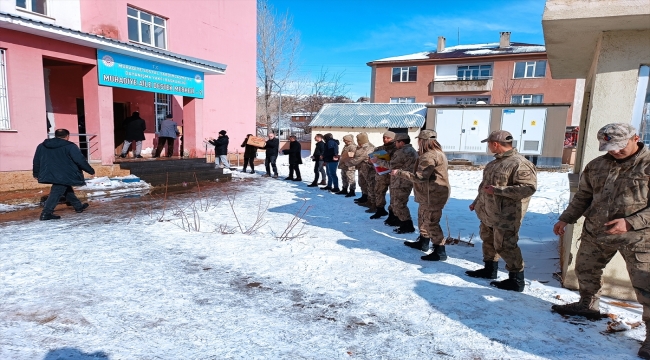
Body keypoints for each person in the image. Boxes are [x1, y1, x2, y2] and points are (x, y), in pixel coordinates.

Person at [551, 123, 649, 358]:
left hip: (638, 238)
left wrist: (630, 222)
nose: (613, 152)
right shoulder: (597, 165)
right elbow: (583, 196)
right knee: (585, 269)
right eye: (608, 147)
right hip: (597, 233)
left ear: (635, 138)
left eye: (618, 147)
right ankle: (588, 305)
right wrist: (566, 219)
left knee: (646, 286)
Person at [465, 130, 537, 292]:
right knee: (488, 240)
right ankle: (489, 269)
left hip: (506, 215)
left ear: (495, 144)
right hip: (488, 212)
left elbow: (528, 188)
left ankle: (516, 280)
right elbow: (484, 187)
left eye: (489, 143)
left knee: (506, 245)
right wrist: (477, 202)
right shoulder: (494, 163)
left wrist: (498, 191)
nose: (488, 146)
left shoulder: (519, 163)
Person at [393, 130, 450, 261]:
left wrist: (399, 173)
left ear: (422, 141)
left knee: (431, 221)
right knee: (423, 218)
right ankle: (423, 242)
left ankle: (439, 250)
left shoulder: (429, 156)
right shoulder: (438, 153)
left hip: (432, 195)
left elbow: (420, 177)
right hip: (430, 194)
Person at [33, 128, 95, 220]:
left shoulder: (42, 146)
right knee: (56, 191)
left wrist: (36, 173)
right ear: (67, 136)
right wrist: (90, 170)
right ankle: (46, 213)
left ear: (56, 135)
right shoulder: (70, 146)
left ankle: (78, 206)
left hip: (50, 172)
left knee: (66, 189)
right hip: (65, 173)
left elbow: (36, 160)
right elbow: (80, 160)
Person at [376, 133, 417, 233]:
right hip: (404, 181)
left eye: (396, 142)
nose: (395, 145)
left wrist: (378, 160)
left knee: (399, 204)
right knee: (398, 203)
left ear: (401, 142)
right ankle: (399, 221)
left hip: (401, 182)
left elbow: (391, 165)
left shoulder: (402, 151)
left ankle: (407, 225)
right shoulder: (412, 150)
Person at [368, 131, 397, 219]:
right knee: (379, 192)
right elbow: (372, 161)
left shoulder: (397, 149)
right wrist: (370, 161)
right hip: (381, 175)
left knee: (394, 195)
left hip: (393, 175)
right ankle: (380, 210)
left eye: (388, 138)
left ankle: (392, 213)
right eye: (384, 138)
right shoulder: (379, 149)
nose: (385, 139)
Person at [350, 133, 375, 204]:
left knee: (369, 184)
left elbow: (360, 158)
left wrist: (348, 162)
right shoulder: (360, 147)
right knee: (362, 183)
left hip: (368, 169)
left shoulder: (369, 147)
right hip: (361, 168)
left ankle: (370, 200)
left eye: (358, 140)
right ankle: (364, 196)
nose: (357, 142)